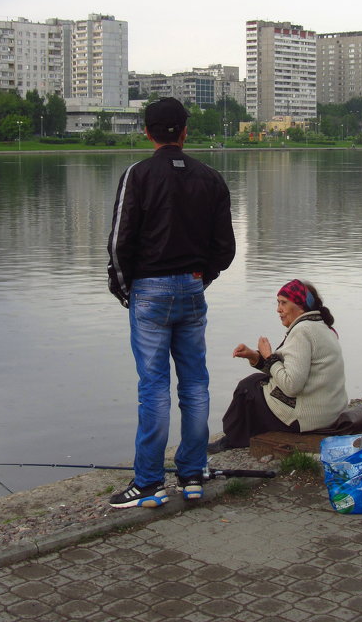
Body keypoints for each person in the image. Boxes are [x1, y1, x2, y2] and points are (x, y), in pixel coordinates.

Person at [107, 97, 236, 508]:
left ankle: (147, 483)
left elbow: (118, 242)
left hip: (150, 291)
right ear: (184, 132)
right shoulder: (211, 178)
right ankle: (192, 473)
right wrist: (202, 278)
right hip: (192, 290)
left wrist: (126, 288)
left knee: (154, 388)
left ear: (147, 132)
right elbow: (225, 248)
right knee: (195, 384)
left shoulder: (138, 175)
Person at [208, 279, 349, 453]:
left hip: (309, 419)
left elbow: (291, 385)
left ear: (300, 305)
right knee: (261, 382)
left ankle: (232, 440)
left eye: (283, 303)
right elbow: (288, 371)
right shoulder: (320, 326)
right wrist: (255, 357)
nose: (278, 309)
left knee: (248, 388)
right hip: (329, 413)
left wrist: (269, 356)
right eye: (278, 303)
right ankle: (240, 436)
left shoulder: (302, 331)